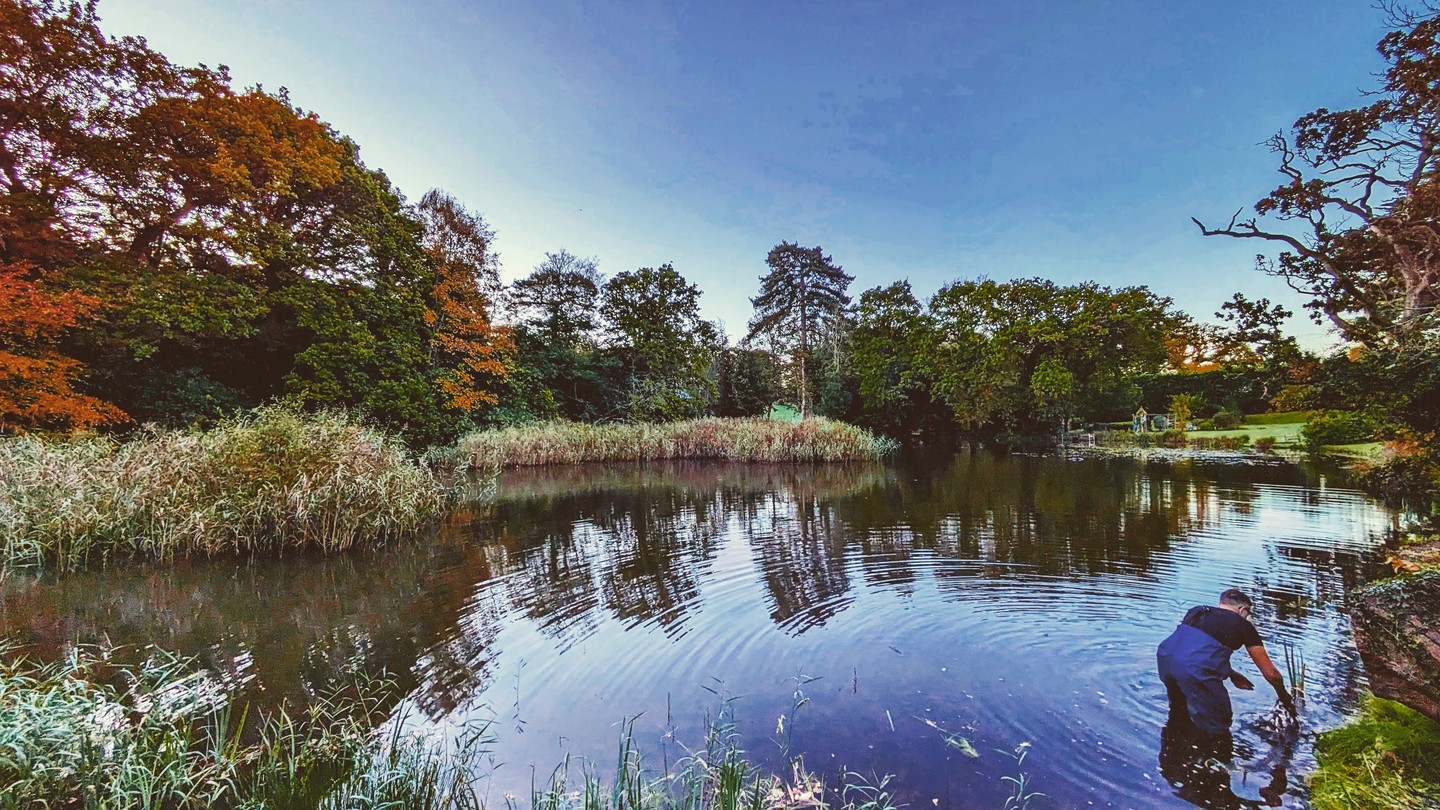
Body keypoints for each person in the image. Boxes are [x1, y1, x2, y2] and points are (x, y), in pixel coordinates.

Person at [1157, 588, 1297, 737]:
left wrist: (1231, 674)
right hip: (1193, 670)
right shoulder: (1243, 625)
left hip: (1165, 660)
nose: (1248, 617)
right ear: (1242, 610)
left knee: (1179, 710)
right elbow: (1271, 674)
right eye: (1249, 613)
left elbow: (1193, 650)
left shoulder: (1197, 612)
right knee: (1218, 720)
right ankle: (1218, 748)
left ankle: (1173, 746)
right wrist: (1284, 697)